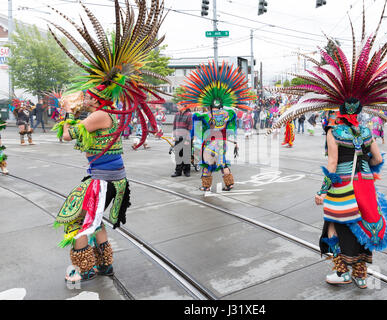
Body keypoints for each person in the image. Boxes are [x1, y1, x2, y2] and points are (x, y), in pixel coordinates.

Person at [267, 5, 387, 288]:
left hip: (343, 183)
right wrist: (369, 167)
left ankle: (344, 272)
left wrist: (321, 191)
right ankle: (361, 276)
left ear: (338, 109)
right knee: (365, 222)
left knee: (341, 225)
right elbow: (378, 157)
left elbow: (332, 165)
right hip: (365, 181)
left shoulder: (334, 132)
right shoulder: (366, 130)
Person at [48, 0, 167, 284]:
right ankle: (104, 265)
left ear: (98, 99)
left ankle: (84, 268)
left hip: (104, 180)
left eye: (89, 95)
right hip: (108, 177)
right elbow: (80, 134)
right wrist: (75, 113)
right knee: (96, 220)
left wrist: (66, 112)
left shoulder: (99, 115)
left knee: (80, 222)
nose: (85, 98)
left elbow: (67, 136)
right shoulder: (103, 113)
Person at [179, 61, 254, 192]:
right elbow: (232, 125)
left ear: (209, 103)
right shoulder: (228, 114)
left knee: (207, 164)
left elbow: (195, 125)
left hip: (209, 144)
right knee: (222, 162)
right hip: (222, 143)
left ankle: (206, 186)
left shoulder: (204, 115)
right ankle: (229, 184)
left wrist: (193, 139)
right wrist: (233, 139)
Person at [171, 105, 193, 177]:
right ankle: (178, 171)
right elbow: (174, 126)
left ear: (184, 106)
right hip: (178, 137)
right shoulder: (176, 114)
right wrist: (174, 136)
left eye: (179, 105)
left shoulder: (189, 115)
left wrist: (187, 139)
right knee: (178, 155)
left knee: (186, 155)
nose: (177, 106)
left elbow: (190, 127)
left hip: (186, 137)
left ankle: (187, 171)